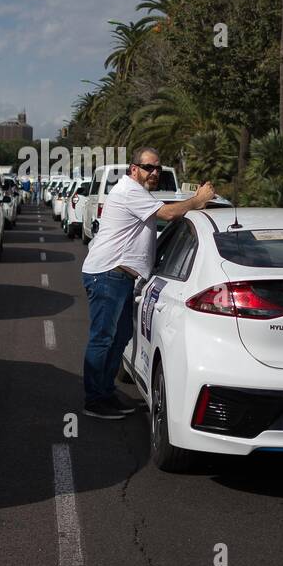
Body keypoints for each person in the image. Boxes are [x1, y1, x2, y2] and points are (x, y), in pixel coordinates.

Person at [79, 147, 215, 419]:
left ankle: (105, 392)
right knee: (103, 339)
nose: (154, 173)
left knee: (120, 337)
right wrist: (197, 200)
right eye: (148, 167)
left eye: (158, 169)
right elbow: (167, 214)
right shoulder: (129, 191)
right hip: (108, 274)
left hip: (120, 276)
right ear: (134, 169)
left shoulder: (139, 194)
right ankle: (94, 400)